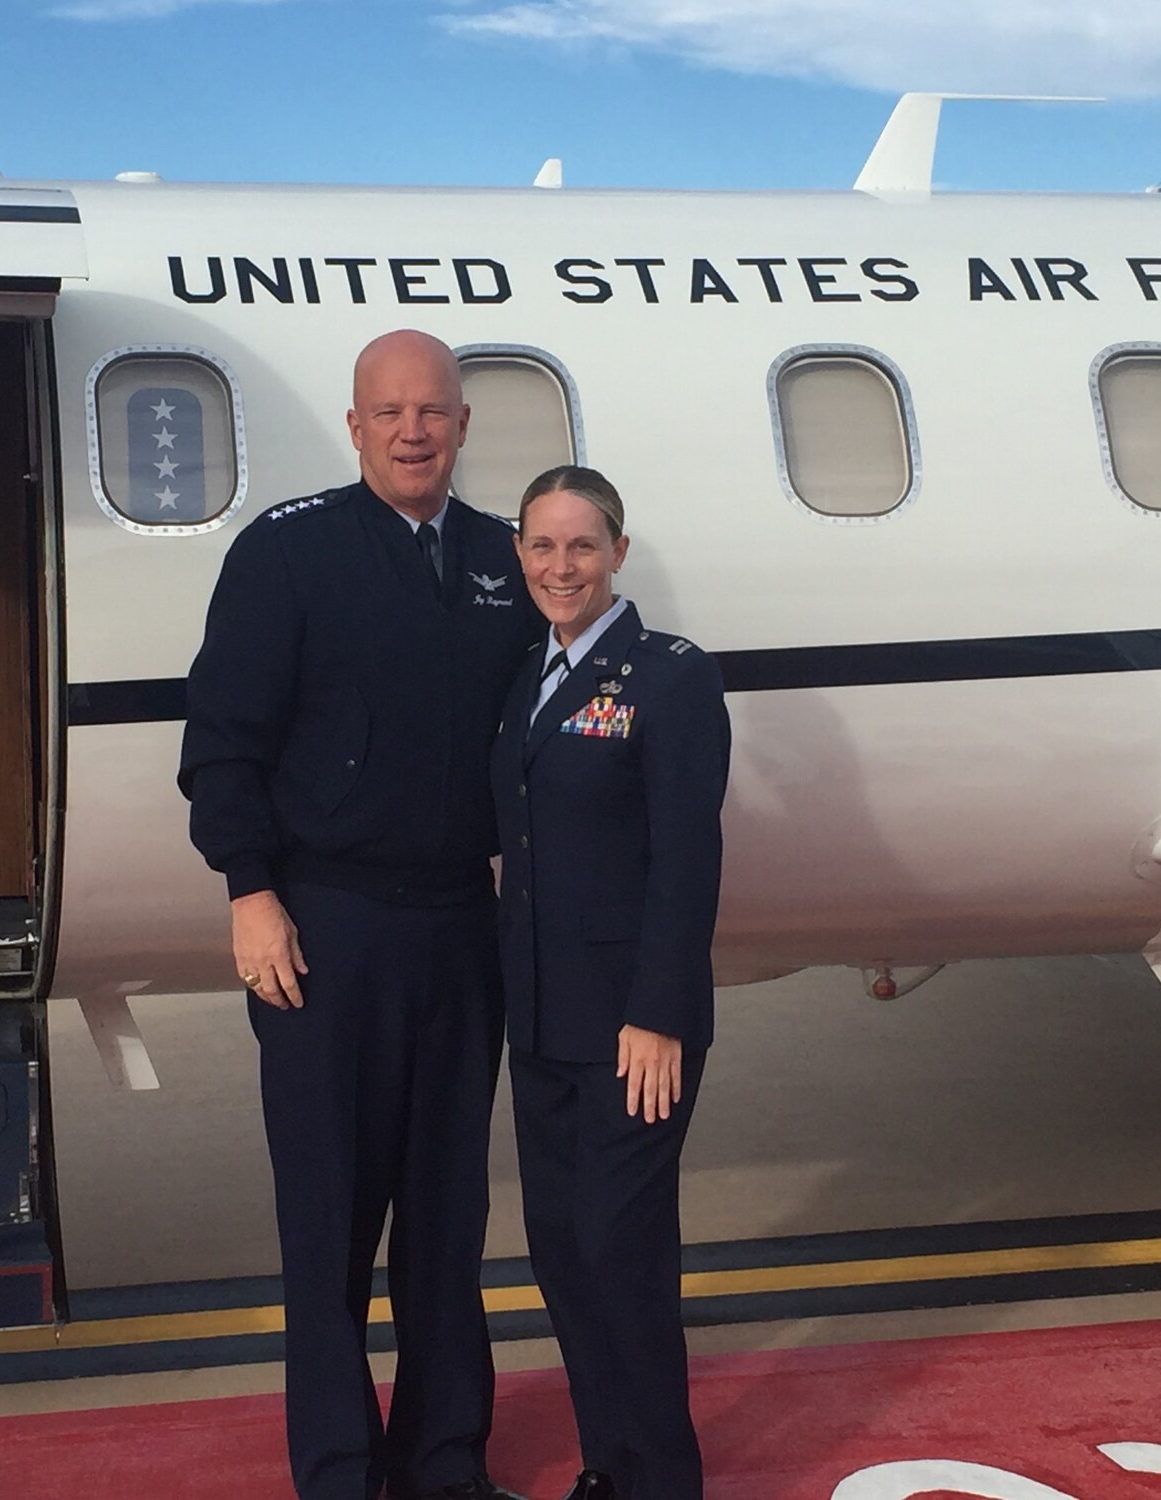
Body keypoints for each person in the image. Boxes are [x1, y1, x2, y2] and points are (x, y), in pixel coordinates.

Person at [179, 330, 541, 1500]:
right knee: (328, 1219)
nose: (411, 431)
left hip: (456, 930)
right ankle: (340, 1470)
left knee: (444, 1220)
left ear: (462, 426)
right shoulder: (288, 555)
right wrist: (249, 890)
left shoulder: (503, 564)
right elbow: (221, 744)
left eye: (431, 411)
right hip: (321, 932)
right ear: (353, 427)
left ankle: (444, 1461)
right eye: (387, 412)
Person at [491, 466, 731, 1500]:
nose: (560, 567)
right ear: (520, 555)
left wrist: (658, 1013)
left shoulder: (668, 677)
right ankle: (610, 1464)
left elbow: (687, 859)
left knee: (619, 1250)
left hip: (633, 1029)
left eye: (580, 547)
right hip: (541, 1019)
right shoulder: (525, 675)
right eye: (541, 547)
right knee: (561, 1251)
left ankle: (661, 1480)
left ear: (617, 554)